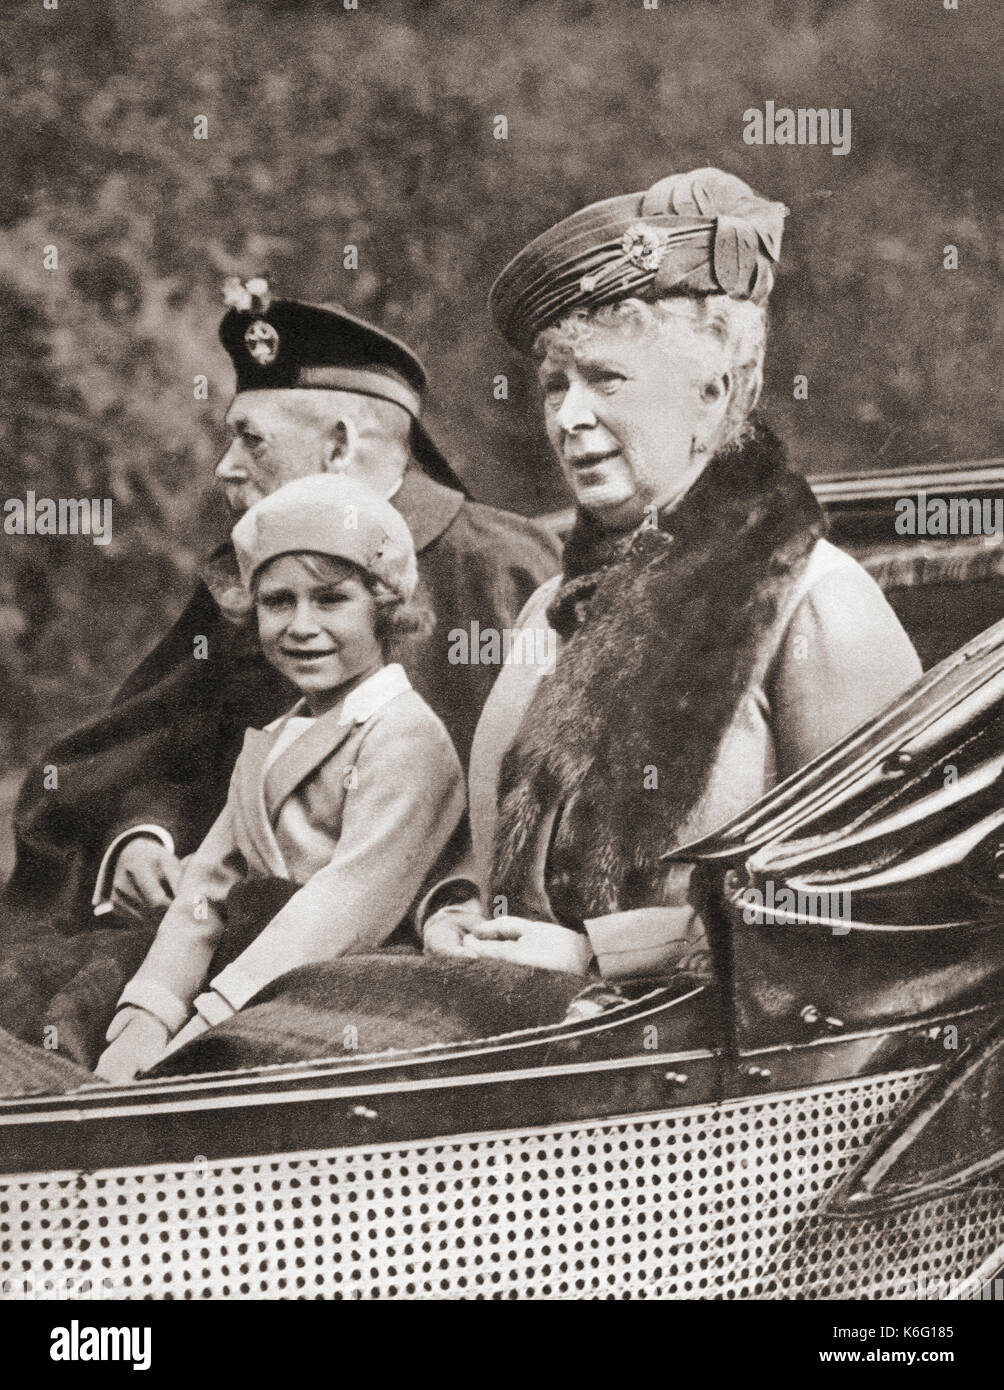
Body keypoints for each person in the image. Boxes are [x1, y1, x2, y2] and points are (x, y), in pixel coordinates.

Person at [421, 167, 923, 982]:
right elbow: (499, 851)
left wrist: (602, 953)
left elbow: (880, 899)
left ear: (711, 392)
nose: (569, 418)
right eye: (556, 385)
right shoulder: (552, 608)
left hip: (716, 1081)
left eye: (606, 379)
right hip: (519, 1033)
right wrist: (453, 909)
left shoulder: (816, 605)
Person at [2, 281, 559, 942]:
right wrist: (140, 838)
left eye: (251, 441)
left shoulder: (510, 572)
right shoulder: (253, 578)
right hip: (222, 935)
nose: (225, 468)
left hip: (437, 949)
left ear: (339, 446)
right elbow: (161, 754)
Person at [95, 474, 465, 1083]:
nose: (300, 625)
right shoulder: (276, 735)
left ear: (385, 609)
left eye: (330, 600)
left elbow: (342, 905)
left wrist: (203, 1024)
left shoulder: (404, 737)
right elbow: (207, 886)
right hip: (258, 972)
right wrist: (149, 1014)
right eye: (277, 602)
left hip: (351, 980)